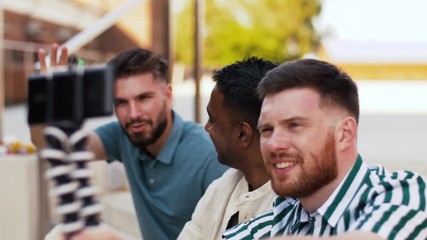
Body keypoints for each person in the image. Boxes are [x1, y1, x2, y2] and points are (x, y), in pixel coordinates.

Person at [31, 44, 228, 240]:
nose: (133, 114)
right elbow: (53, 146)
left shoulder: (208, 155)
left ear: (167, 95)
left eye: (143, 98)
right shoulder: (122, 136)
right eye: (121, 103)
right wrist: (45, 105)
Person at [222, 58, 427, 239]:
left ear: (344, 133)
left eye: (294, 125)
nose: (274, 143)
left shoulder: (405, 194)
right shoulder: (279, 219)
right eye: (266, 130)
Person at [177, 57, 277, 240]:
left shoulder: (295, 208)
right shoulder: (222, 187)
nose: (206, 128)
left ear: (242, 134)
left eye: (212, 120)